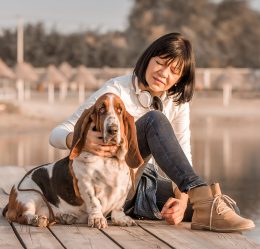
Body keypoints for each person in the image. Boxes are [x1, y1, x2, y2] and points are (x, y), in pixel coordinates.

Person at [49, 32, 255, 232]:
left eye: (174, 71)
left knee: (227, 210)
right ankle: (200, 198)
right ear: (148, 59)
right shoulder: (115, 91)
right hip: (102, 184)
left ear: (180, 79)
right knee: (153, 120)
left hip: (140, 186)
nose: (164, 73)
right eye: (161, 62)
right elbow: (56, 134)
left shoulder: (177, 103)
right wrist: (81, 140)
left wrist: (182, 201)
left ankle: (196, 203)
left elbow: (183, 154)